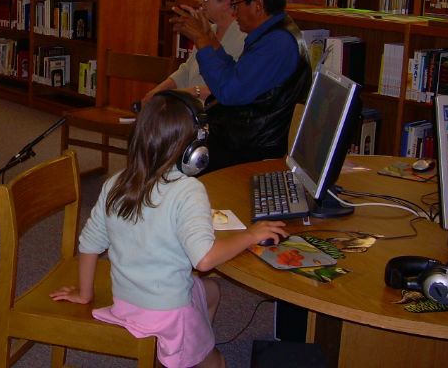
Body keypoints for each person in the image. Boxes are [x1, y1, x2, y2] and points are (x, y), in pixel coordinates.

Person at [50, 92, 287, 368]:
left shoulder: (115, 182)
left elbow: (89, 243)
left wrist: (85, 293)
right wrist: (250, 235)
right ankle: (190, 352)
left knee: (211, 291)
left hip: (126, 303)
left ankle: (185, 351)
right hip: (170, 313)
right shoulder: (188, 190)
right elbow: (205, 259)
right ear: (192, 150)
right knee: (219, 363)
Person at [171, 0, 311, 172]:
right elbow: (235, 75)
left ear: (258, 6)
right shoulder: (274, 34)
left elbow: (229, 92)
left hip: (253, 146)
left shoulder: (277, 43)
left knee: (175, 156)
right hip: (247, 134)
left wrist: (202, 41)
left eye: (236, 4)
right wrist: (209, 37)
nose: (234, 12)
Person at [143, 0, 245, 105]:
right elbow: (187, 70)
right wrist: (157, 91)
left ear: (226, 3)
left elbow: (234, 88)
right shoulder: (208, 30)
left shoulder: (244, 38)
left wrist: (184, 93)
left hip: (213, 112)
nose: (201, 2)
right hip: (189, 106)